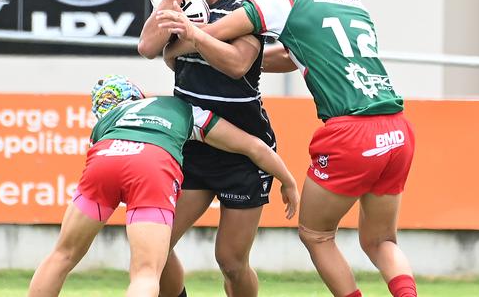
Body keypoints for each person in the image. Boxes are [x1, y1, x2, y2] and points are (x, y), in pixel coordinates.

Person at [157, 0, 418, 297]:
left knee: (317, 235)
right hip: (397, 130)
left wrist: (179, 43)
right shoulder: (359, 10)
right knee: (381, 240)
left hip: (351, 129)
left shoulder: (290, 2)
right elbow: (285, 56)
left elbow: (215, 34)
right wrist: (250, 58)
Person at [27, 75, 298, 297]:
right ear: (139, 95)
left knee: (62, 255)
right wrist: (287, 180)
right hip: (151, 165)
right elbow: (252, 145)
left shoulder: (105, 122)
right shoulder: (179, 107)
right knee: (146, 273)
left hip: (104, 158)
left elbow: (114, 160)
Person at [138, 0, 278, 296]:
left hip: (243, 150)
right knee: (156, 246)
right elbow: (147, 47)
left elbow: (237, 64)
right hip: (192, 143)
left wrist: (191, 37)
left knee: (230, 261)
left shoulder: (248, 8)